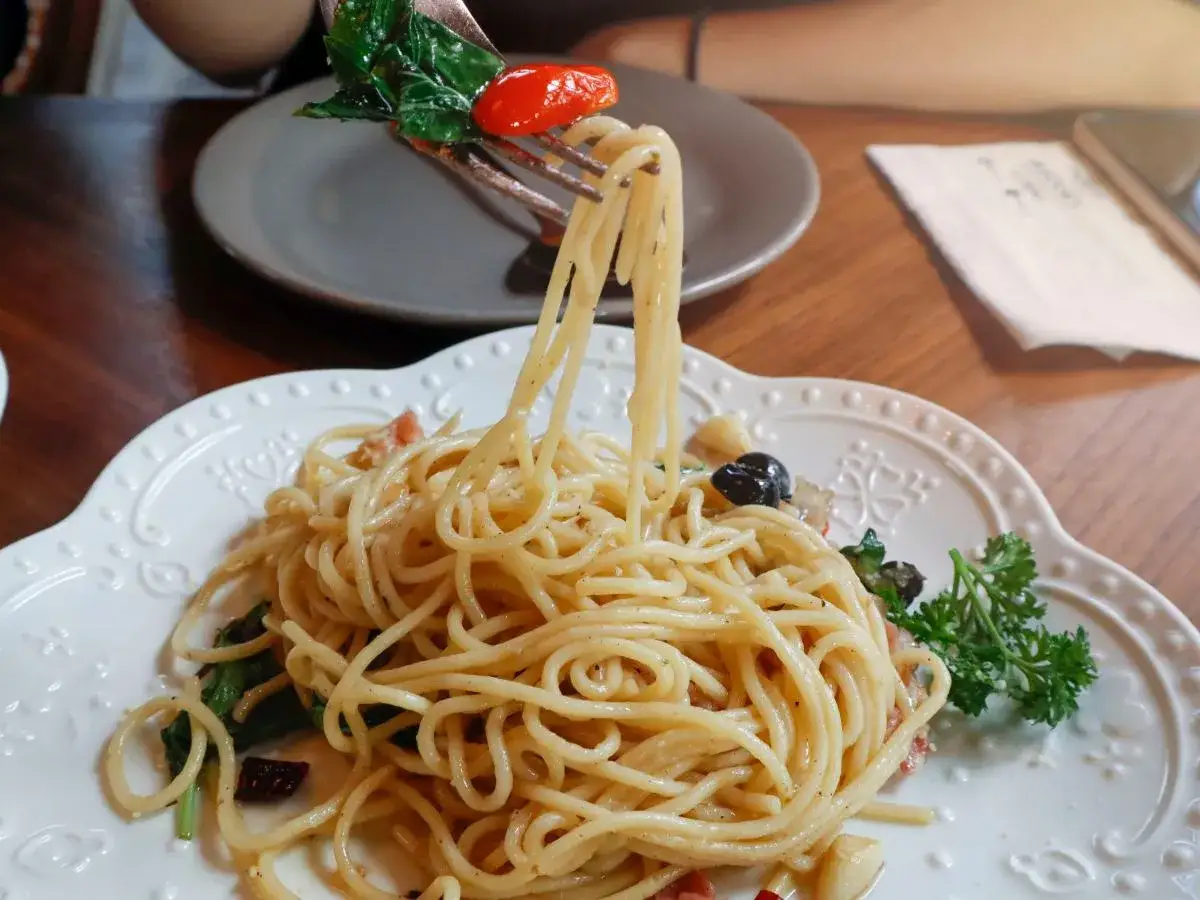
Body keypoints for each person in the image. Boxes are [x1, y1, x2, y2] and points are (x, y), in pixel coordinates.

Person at [131, 0, 1200, 112]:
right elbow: (237, 40)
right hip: (352, 163)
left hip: (824, 156)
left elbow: (1160, 40)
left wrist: (647, 50)